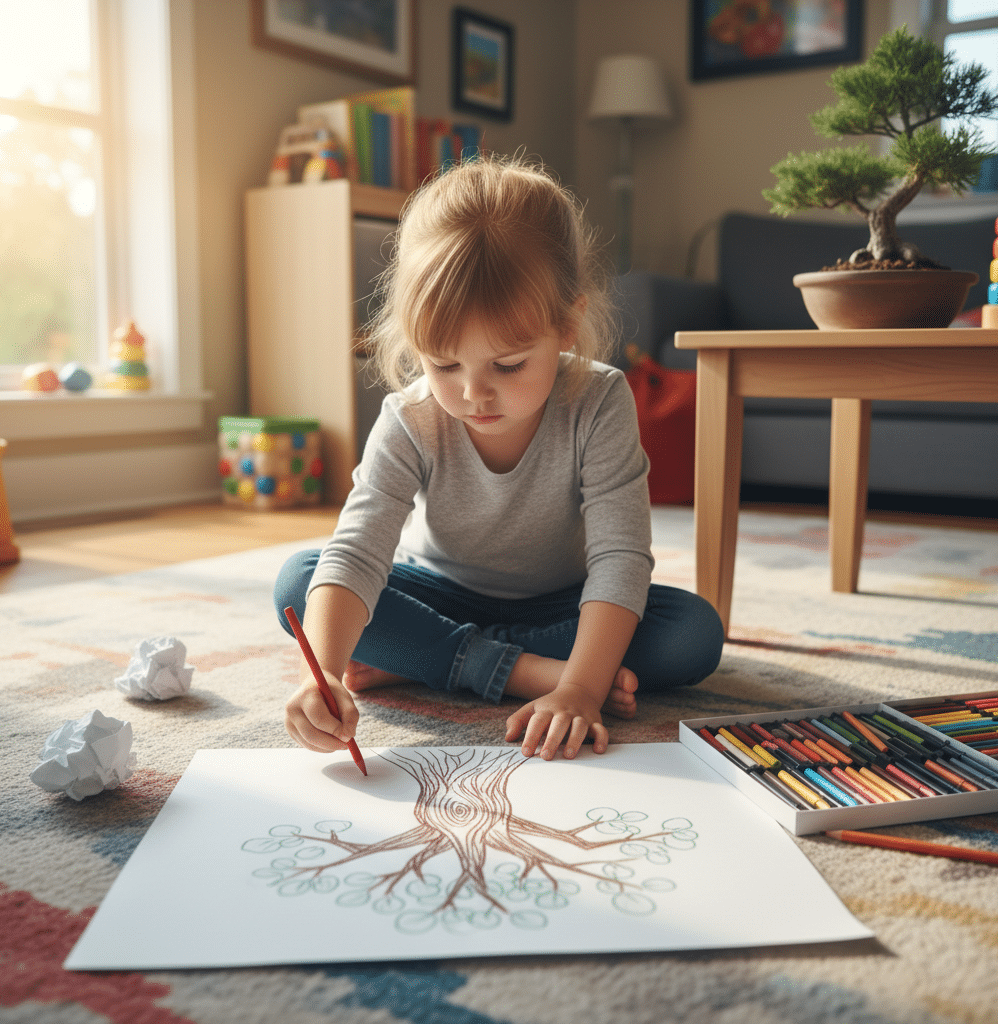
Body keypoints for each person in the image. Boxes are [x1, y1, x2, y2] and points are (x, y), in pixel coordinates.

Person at [275, 155, 723, 762]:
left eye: (508, 365)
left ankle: (434, 657)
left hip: (564, 601)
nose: (471, 393)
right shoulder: (410, 419)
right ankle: (526, 671)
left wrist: (581, 692)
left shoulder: (600, 399)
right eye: (443, 364)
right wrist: (323, 673)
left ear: (567, 325)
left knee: (691, 635)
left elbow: (621, 557)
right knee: (301, 583)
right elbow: (357, 551)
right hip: (440, 590)